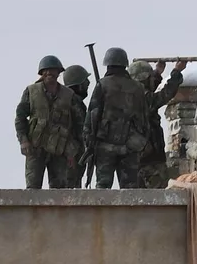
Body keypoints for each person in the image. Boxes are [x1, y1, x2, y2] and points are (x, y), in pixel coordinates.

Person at [85, 48, 182, 188]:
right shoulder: (137, 88)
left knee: (102, 187)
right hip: (133, 149)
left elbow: (92, 117)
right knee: (131, 190)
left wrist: (89, 142)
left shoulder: (103, 85)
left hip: (105, 147)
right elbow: (154, 98)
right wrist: (175, 73)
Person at [14, 56, 84, 189]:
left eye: (53, 70)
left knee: (59, 190)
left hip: (60, 151)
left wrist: (72, 152)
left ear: (59, 72)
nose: (50, 73)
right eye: (46, 70)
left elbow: (77, 127)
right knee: (32, 188)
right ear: (41, 72)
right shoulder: (32, 91)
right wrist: (24, 141)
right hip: (35, 148)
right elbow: (20, 117)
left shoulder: (69, 96)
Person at [127, 61, 175, 189]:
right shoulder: (142, 98)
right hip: (150, 159)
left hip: (136, 157)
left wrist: (157, 73)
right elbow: (165, 95)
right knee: (158, 196)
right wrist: (176, 73)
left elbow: (148, 91)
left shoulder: (130, 94)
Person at [61, 65, 93, 187]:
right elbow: (82, 130)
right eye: (85, 82)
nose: (88, 84)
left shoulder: (67, 99)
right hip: (72, 154)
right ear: (78, 84)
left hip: (71, 153)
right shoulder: (74, 102)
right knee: (71, 187)